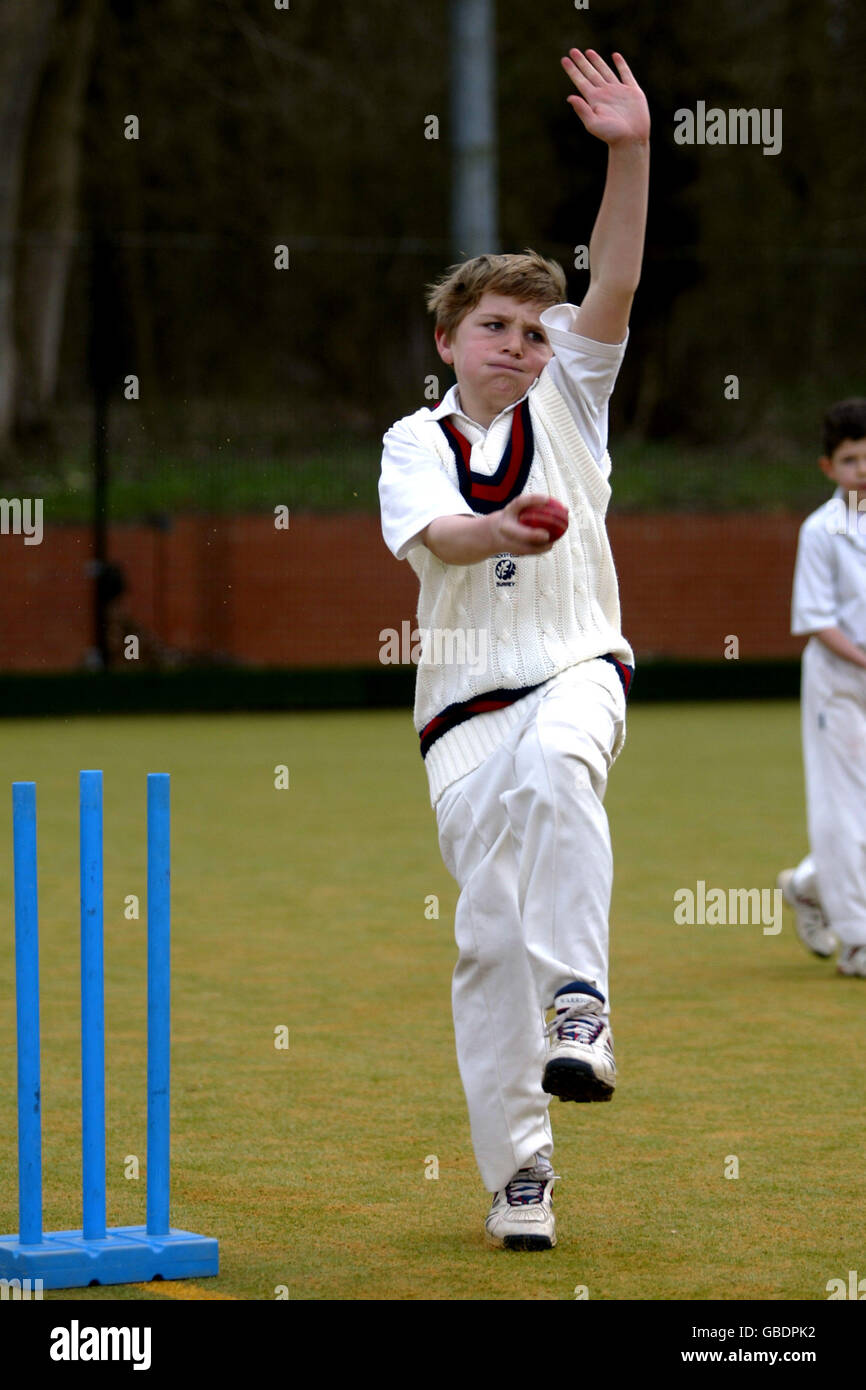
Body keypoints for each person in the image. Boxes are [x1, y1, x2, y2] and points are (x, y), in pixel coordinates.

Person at [379, 48, 649, 1250]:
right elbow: (434, 529)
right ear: (446, 337)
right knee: (486, 939)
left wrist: (629, 152)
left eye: (535, 332)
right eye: (493, 327)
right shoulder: (409, 439)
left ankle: (581, 1003)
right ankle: (516, 1177)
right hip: (458, 716)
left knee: (560, 771)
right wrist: (494, 528)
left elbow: (619, 285)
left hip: (581, 661)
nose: (519, 347)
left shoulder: (572, 398)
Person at [778, 399, 866, 978]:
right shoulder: (821, 531)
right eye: (851, 459)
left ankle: (809, 885)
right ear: (828, 467)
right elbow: (815, 617)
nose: (863, 469)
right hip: (840, 687)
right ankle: (858, 939)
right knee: (844, 809)